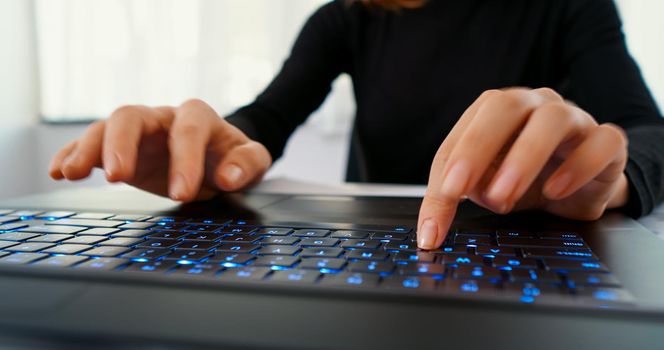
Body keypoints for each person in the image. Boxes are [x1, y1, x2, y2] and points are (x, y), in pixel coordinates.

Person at [48, 0, 664, 250]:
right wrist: (214, 153)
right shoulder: (348, 18)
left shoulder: (569, 8)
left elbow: (646, 131)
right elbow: (266, 118)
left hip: (529, 253)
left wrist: (605, 182)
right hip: (384, 254)